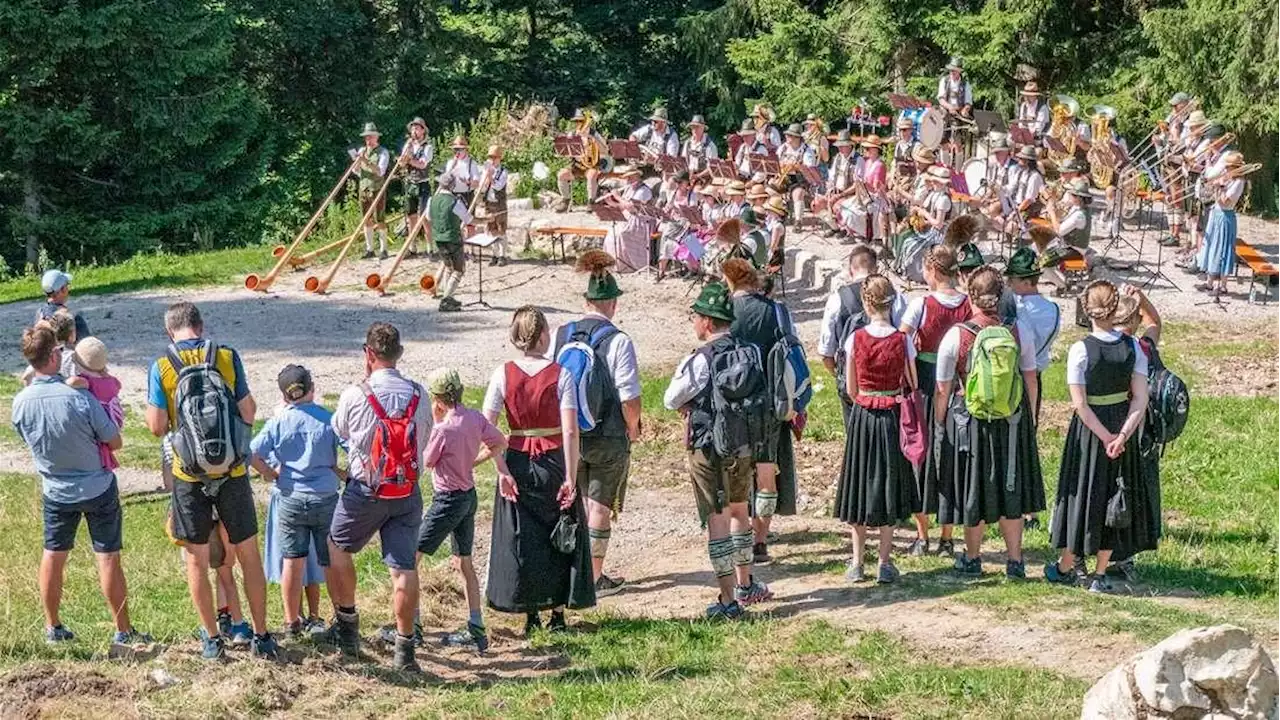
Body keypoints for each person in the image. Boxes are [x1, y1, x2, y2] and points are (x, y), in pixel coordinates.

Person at [144, 302, 276, 660]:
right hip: (232, 473)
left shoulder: (162, 367)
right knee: (248, 555)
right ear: (201, 326)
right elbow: (249, 411)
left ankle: (212, 639)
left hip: (189, 476)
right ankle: (262, 635)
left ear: (169, 331)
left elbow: (157, 427)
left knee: (197, 562)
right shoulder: (227, 357)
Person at [12, 325, 149, 648]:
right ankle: (123, 630)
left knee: (53, 555)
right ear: (55, 355)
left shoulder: (20, 403)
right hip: (96, 486)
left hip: (55, 489)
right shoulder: (79, 398)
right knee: (107, 557)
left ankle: (53, 626)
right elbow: (113, 441)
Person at [664, 283, 773, 620]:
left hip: (707, 446)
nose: (694, 322)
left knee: (717, 518)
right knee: (740, 510)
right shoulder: (749, 351)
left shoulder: (699, 360)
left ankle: (727, 599)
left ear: (708, 322)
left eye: (695, 316)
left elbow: (670, 399)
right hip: (742, 443)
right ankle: (746, 583)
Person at [484, 306, 595, 635]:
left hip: (518, 460)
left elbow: (486, 426)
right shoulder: (562, 375)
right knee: (561, 532)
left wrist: (501, 469)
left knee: (525, 536)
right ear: (544, 334)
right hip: (553, 461)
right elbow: (570, 430)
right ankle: (558, 612)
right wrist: (571, 477)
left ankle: (530, 611)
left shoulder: (502, 373)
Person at [327, 322, 432, 671]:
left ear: (369, 354)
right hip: (406, 490)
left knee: (337, 547)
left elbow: (340, 430)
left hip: (365, 489)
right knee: (403, 568)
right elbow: (426, 437)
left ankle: (347, 626)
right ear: (399, 354)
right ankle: (405, 649)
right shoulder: (419, 394)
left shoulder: (356, 394)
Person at [932, 267, 1044, 579]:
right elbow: (1031, 377)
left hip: (970, 422)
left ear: (970, 296)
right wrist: (1031, 418)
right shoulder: (1018, 330)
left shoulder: (958, 335)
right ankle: (1015, 560)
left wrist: (940, 424)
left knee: (973, 489)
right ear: (1002, 296)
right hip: (1012, 420)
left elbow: (943, 388)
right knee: (1012, 489)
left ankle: (972, 557)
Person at [1046, 281, 1151, 593]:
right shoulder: (1133, 347)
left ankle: (1067, 565)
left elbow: (1080, 405)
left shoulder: (1080, 350)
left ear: (1086, 309)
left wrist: (1105, 437)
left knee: (1081, 493)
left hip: (1090, 433)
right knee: (1113, 497)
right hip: (1122, 428)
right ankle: (1100, 574)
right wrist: (1122, 435)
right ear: (1115, 307)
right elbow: (1140, 399)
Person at [550, 251, 642, 596]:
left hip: (567, 431)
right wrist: (633, 427)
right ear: (613, 304)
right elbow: (628, 395)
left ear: (586, 300)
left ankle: (568, 568)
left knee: (571, 498)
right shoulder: (619, 340)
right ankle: (595, 575)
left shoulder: (562, 334)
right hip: (607, 433)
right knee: (599, 504)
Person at [419, 367, 511, 653]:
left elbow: (428, 461)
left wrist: (434, 424)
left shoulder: (443, 429)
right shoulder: (473, 417)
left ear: (437, 399)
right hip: (468, 495)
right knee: (463, 562)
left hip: (447, 499)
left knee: (410, 559)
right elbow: (499, 441)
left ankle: (411, 624)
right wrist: (473, 461)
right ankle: (476, 626)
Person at [835, 275, 919, 583]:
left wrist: (866, 400)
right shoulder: (902, 340)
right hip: (892, 415)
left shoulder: (855, 338)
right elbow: (913, 382)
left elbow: (851, 387)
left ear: (866, 302)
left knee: (859, 484)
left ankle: (857, 561)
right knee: (889, 484)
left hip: (863, 415)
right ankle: (884, 561)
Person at [249, 364, 343, 639]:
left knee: (292, 560)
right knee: (330, 561)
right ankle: (341, 617)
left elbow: (253, 453)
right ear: (312, 389)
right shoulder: (328, 419)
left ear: (283, 396)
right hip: (325, 496)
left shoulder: (279, 422)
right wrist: (340, 472)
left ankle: (292, 623)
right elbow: (351, 447)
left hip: (290, 496)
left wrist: (270, 473)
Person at [722, 258, 796, 565]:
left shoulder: (724, 312)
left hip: (732, 402)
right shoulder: (776, 311)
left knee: (735, 471)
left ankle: (736, 533)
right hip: (768, 400)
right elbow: (791, 353)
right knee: (767, 473)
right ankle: (760, 539)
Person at [899, 246, 971, 558]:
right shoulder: (968, 304)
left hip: (927, 385)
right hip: (959, 385)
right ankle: (947, 536)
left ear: (932, 271)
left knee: (920, 455)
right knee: (950, 457)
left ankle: (922, 535)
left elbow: (901, 342)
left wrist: (911, 379)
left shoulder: (921, 305)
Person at [817, 245, 907, 428]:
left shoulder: (837, 298)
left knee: (855, 439)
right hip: (889, 382)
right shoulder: (894, 297)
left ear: (851, 269)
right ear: (876, 269)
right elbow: (904, 336)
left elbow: (826, 352)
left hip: (853, 382)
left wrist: (839, 374)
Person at [1111, 285, 1163, 582]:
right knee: (1129, 488)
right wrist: (1142, 299)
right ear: (1134, 321)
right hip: (1136, 424)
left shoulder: (1098, 344)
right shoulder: (1143, 347)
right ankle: (1124, 554)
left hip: (1105, 421)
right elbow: (1155, 322)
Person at [1004, 247, 1061, 425]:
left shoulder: (1015, 308)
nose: (1009, 284)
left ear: (1028, 282)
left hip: (1011, 376)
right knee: (1029, 430)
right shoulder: (1054, 309)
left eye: (1013, 280)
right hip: (1035, 375)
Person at [65, 337, 124, 471]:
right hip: (112, 419)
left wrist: (62, 384)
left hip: (99, 419)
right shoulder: (111, 381)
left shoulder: (87, 381)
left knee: (97, 441)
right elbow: (117, 385)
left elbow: (74, 382)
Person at [1194, 151, 1247, 297]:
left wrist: (1219, 187)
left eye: (1228, 167)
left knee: (1223, 250)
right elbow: (1215, 197)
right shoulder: (1228, 178)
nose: (1226, 169)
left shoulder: (1238, 182)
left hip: (1225, 217)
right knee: (1211, 247)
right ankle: (1210, 283)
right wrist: (1215, 185)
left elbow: (1225, 202)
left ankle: (1223, 285)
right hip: (1216, 214)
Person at [426, 182, 474, 313]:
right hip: (453, 238)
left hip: (438, 238)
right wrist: (485, 220)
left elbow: (428, 217)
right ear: (452, 186)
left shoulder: (432, 199)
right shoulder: (455, 201)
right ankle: (446, 299)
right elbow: (469, 219)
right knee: (459, 270)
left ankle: (448, 297)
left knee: (448, 267)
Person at [601, 166, 656, 273]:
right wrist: (610, 202)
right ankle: (616, 264)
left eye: (631, 177)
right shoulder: (628, 188)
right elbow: (622, 206)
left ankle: (630, 265)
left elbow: (632, 207)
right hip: (628, 219)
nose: (628, 180)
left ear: (638, 176)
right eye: (627, 178)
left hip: (642, 221)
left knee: (622, 233)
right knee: (611, 233)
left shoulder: (644, 190)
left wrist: (617, 197)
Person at [556, 109, 609, 211]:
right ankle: (566, 201)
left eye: (581, 121)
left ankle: (591, 202)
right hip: (577, 166)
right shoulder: (573, 134)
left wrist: (593, 139)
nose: (578, 124)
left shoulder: (594, 134)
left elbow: (605, 150)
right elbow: (565, 152)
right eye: (577, 121)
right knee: (561, 174)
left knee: (592, 175)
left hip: (591, 165)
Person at [352, 122, 392, 260]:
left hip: (377, 188)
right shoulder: (362, 150)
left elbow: (380, 171)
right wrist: (357, 161)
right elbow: (356, 171)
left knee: (379, 218)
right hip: (364, 188)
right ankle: (369, 249)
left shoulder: (383, 152)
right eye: (366, 137)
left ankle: (384, 249)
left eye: (371, 137)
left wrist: (366, 161)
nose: (368, 140)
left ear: (376, 137)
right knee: (366, 219)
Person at [400, 117, 435, 256]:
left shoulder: (428, 147)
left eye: (417, 128)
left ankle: (430, 247)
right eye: (413, 128)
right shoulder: (408, 145)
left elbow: (422, 164)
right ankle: (412, 246)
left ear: (423, 131)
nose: (414, 131)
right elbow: (402, 163)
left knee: (425, 217)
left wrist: (409, 160)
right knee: (411, 216)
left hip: (423, 184)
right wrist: (404, 158)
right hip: (410, 183)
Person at [479, 144, 511, 266]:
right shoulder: (486, 171)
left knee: (501, 229)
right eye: (490, 157)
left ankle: (503, 255)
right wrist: (486, 177)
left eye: (494, 157)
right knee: (491, 229)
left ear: (499, 158)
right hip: (489, 203)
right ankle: (495, 254)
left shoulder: (503, 171)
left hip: (499, 204)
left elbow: (498, 185)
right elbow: (482, 188)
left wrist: (491, 177)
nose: (492, 160)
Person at [36, 269, 91, 341]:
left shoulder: (40, 314)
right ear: (63, 289)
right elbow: (86, 345)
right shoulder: (73, 319)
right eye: (67, 285)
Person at [441, 135, 481, 211]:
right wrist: (453, 166)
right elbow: (445, 180)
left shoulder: (471, 163)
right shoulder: (450, 163)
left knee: (467, 220)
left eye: (460, 149)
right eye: (455, 149)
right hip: (452, 195)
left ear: (465, 150)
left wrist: (467, 182)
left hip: (466, 195)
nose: (457, 152)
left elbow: (476, 183)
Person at [681, 115, 719, 180]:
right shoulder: (688, 143)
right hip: (688, 175)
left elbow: (712, 168)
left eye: (697, 127)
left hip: (704, 178)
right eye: (693, 127)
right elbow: (683, 160)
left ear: (703, 128)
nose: (695, 130)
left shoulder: (710, 146)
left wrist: (697, 176)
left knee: (696, 190)